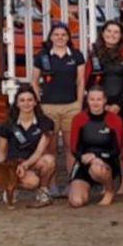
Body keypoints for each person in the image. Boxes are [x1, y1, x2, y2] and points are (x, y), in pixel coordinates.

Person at [30, 23, 84, 195]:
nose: (60, 38)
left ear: (68, 38)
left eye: (63, 35)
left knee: (70, 148)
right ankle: (51, 185)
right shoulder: (42, 56)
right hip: (48, 108)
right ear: (51, 37)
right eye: (57, 35)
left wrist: (79, 104)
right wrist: (40, 101)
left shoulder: (76, 56)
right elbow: (34, 81)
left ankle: (71, 183)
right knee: (50, 148)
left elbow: (81, 81)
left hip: (70, 106)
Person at [85, 20, 123, 193]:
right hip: (100, 106)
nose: (112, 35)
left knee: (122, 146)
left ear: (121, 36)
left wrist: (119, 104)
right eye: (109, 31)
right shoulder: (94, 54)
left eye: (116, 32)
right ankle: (106, 181)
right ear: (103, 33)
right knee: (103, 144)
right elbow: (88, 81)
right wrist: (100, 104)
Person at [0, 85, 56, 207]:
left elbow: (39, 152)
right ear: (17, 104)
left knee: (49, 160)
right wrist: (2, 173)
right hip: (13, 164)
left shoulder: (46, 123)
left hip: (33, 160)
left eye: (29, 100)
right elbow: (0, 153)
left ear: (35, 102)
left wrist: (25, 165)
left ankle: (43, 191)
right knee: (33, 182)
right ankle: (10, 186)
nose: (26, 104)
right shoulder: (7, 125)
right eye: (22, 100)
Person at [68, 87, 123, 208]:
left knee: (97, 168)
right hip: (84, 162)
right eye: (92, 99)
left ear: (105, 101)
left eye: (99, 99)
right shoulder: (78, 119)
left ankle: (109, 189)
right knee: (76, 202)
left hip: (106, 163)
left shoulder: (115, 120)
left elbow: (117, 150)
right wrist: (85, 157)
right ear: (87, 101)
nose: (95, 103)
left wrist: (97, 157)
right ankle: (85, 187)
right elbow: (73, 148)